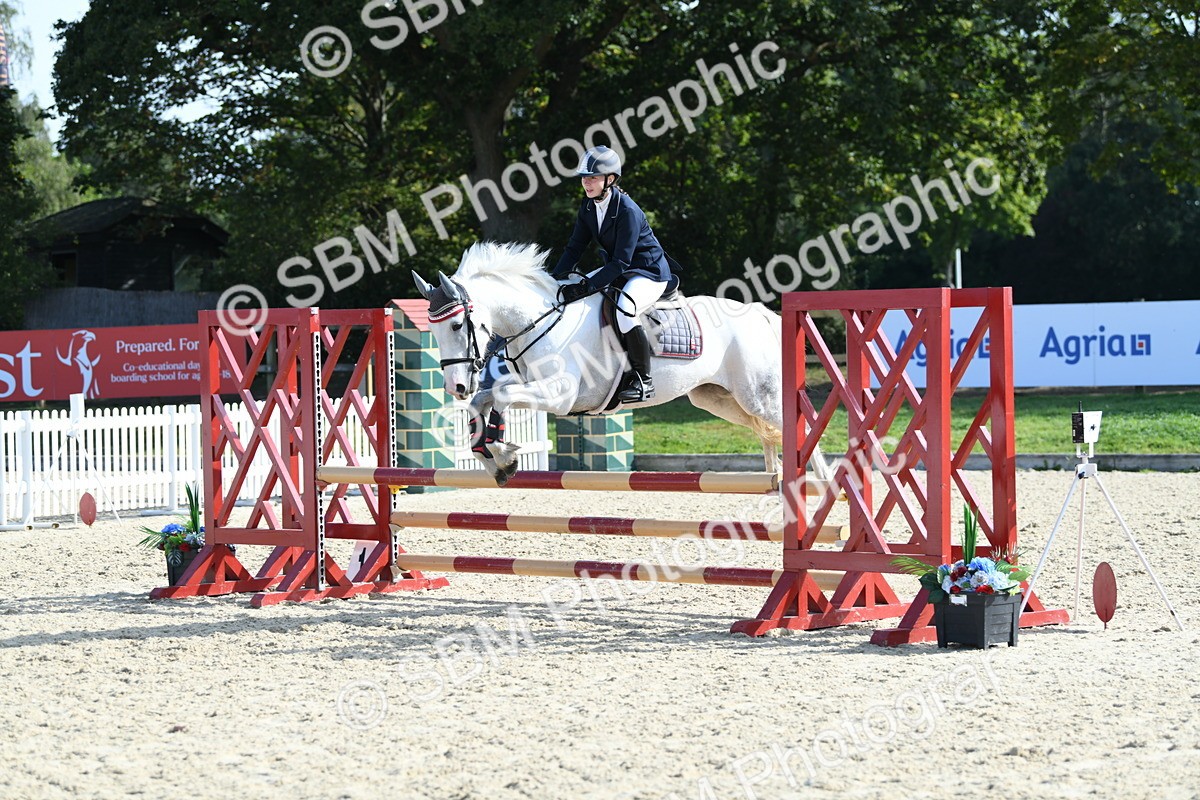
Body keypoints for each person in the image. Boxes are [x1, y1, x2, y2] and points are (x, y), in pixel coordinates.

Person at [551, 146, 671, 403]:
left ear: (610, 179)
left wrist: (585, 287)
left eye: (593, 177)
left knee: (625, 310)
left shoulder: (627, 210)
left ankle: (642, 379)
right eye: (584, 177)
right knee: (576, 292)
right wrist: (554, 280)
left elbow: (621, 261)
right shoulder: (587, 207)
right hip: (621, 269)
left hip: (647, 272)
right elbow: (574, 248)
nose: (586, 182)